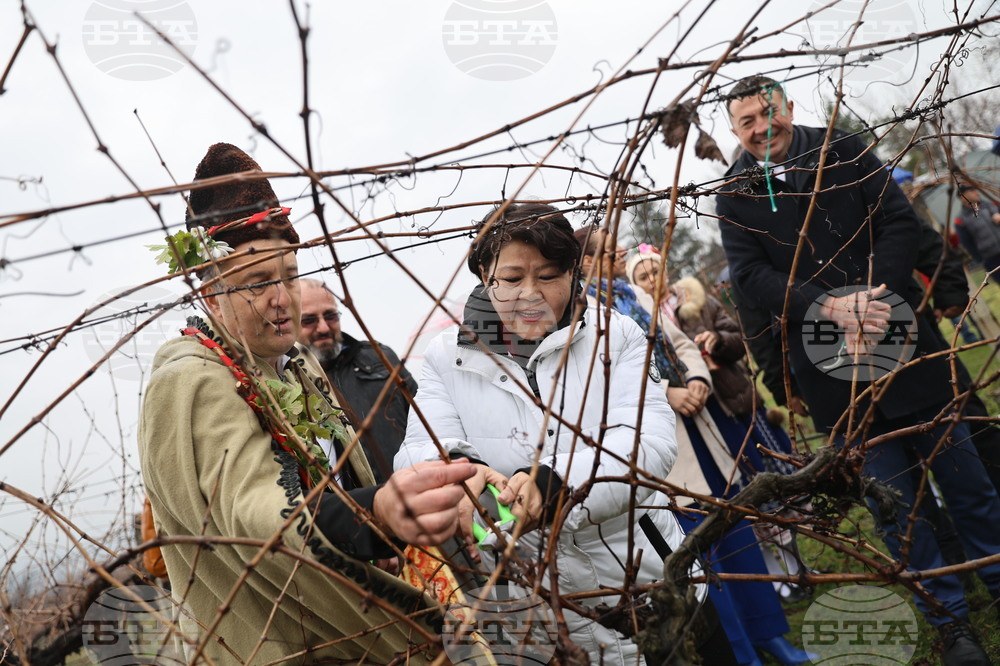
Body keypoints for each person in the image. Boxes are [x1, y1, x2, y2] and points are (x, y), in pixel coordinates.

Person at [138, 143, 478, 664]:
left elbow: (341, 475)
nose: (282, 298)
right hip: (282, 645)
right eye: (257, 283)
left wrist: (402, 522)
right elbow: (252, 517)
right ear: (211, 298)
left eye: (289, 275)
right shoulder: (188, 382)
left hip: (354, 623)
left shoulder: (297, 362)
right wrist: (375, 515)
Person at [716, 75, 1000, 665]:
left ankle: (996, 581)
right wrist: (827, 307)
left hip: (902, 337)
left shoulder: (842, 150)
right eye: (748, 122)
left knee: (968, 481)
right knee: (896, 506)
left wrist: (876, 296)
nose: (763, 128)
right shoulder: (734, 193)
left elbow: (899, 222)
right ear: (735, 130)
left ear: (788, 107)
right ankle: (948, 620)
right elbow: (750, 279)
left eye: (771, 113)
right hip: (829, 369)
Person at [394, 203, 735, 665]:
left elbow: (646, 442)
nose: (530, 296)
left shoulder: (616, 336)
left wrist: (551, 487)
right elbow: (425, 444)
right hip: (546, 607)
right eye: (512, 279)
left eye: (550, 276)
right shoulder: (444, 357)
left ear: (574, 273)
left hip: (650, 577)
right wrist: (458, 476)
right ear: (483, 274)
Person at [579, 228, 814, 666]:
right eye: (609, 247)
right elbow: (606, 381)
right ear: (587, 261)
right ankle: (744, 652)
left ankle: (772, 635)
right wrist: (666, 393)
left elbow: (679, 341)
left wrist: (698, 378)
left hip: (702, 426)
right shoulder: (586, 316)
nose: (621, 250)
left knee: (737, 532)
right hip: (665, 449)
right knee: (702, 554)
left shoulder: (632, 295)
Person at [297, 278, 417, 482]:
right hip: (352, 508)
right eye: (309, 320)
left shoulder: (381, 357)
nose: (324, 328)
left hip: (414, 492)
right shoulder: (289, 378)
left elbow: (425, 419)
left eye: (331, 316)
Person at [957, 184, 1000, 281]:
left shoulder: (991, 205)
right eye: (972, 191)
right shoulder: (961, 220)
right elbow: (967, 243)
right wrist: (981, 260)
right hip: (991, 259)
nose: (976, 193)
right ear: (962, 197)